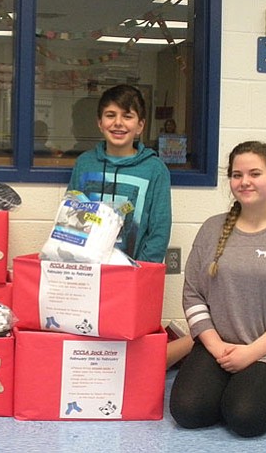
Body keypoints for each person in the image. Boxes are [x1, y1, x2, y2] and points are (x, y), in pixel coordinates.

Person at [169, 141, 266, 438]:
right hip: (218, 346)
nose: (244, 182)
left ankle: (243, 391)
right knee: (188, 411)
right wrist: (215, 346)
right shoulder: (212, 228)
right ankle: (228, 385)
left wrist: (250, 354)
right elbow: (193, 294)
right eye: (237, 175)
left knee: (245, 418)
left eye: (254, 173)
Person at [67, 84, 192, 368]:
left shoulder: (155, 168)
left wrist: (142, 273)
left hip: (134, 274)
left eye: (128, 116)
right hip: (89, 272)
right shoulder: (85, 163)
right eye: (110, 115)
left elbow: (159, 227)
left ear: (140, 126)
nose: (118, 123)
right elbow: (71, 216)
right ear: (100, 123)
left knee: (130, 343)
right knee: (89, 338)